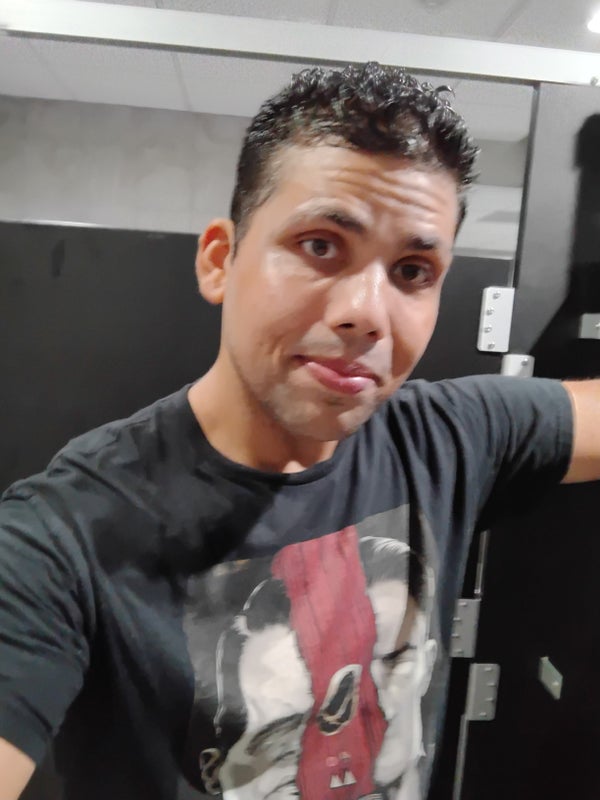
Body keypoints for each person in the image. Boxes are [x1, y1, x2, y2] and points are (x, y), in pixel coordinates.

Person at [0, 62, 598, 800]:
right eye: (320, 245)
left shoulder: (448, 436)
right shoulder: (65, 532)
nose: (367, 314)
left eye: (413, 270)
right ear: (220, 261)